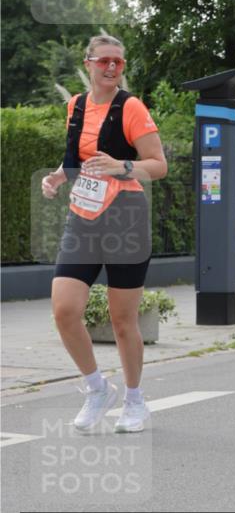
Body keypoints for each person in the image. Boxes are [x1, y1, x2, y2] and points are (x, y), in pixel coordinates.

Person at [41, 36, 168, 432]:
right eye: (104, 62)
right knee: (64, 309)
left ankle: (134, 400)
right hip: (84, 216)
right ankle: (97, 388)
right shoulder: (75, 106)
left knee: (122, 319)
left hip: (126, 217)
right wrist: (59, 176)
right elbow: (82, 161)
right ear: (89, 63)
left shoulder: (130, 107)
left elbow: (159, 166)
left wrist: (122, 167)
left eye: (118, 62)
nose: (112, 68)